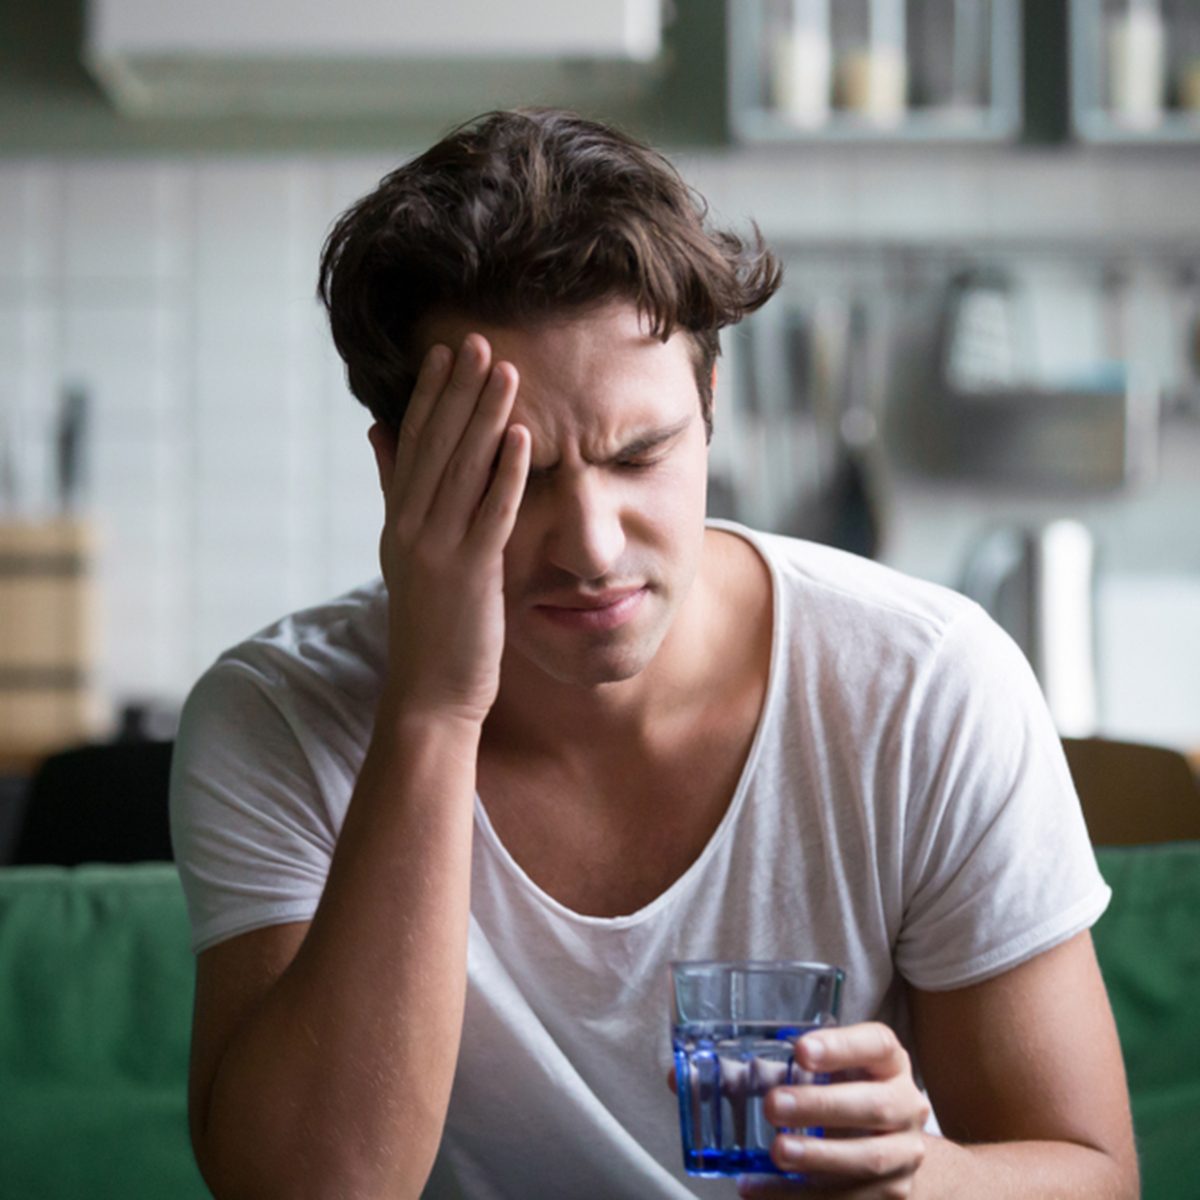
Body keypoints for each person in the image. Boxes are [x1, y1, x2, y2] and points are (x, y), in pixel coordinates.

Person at [170, 108, 1137, 1200]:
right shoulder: (278, 717)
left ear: (710, 405)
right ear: (399, 474)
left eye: (642, 453)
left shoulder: (926, 686)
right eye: (517, 474)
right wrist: (434, 710)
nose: (591, 544)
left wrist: (921, 1181)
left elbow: (1093, 1173)